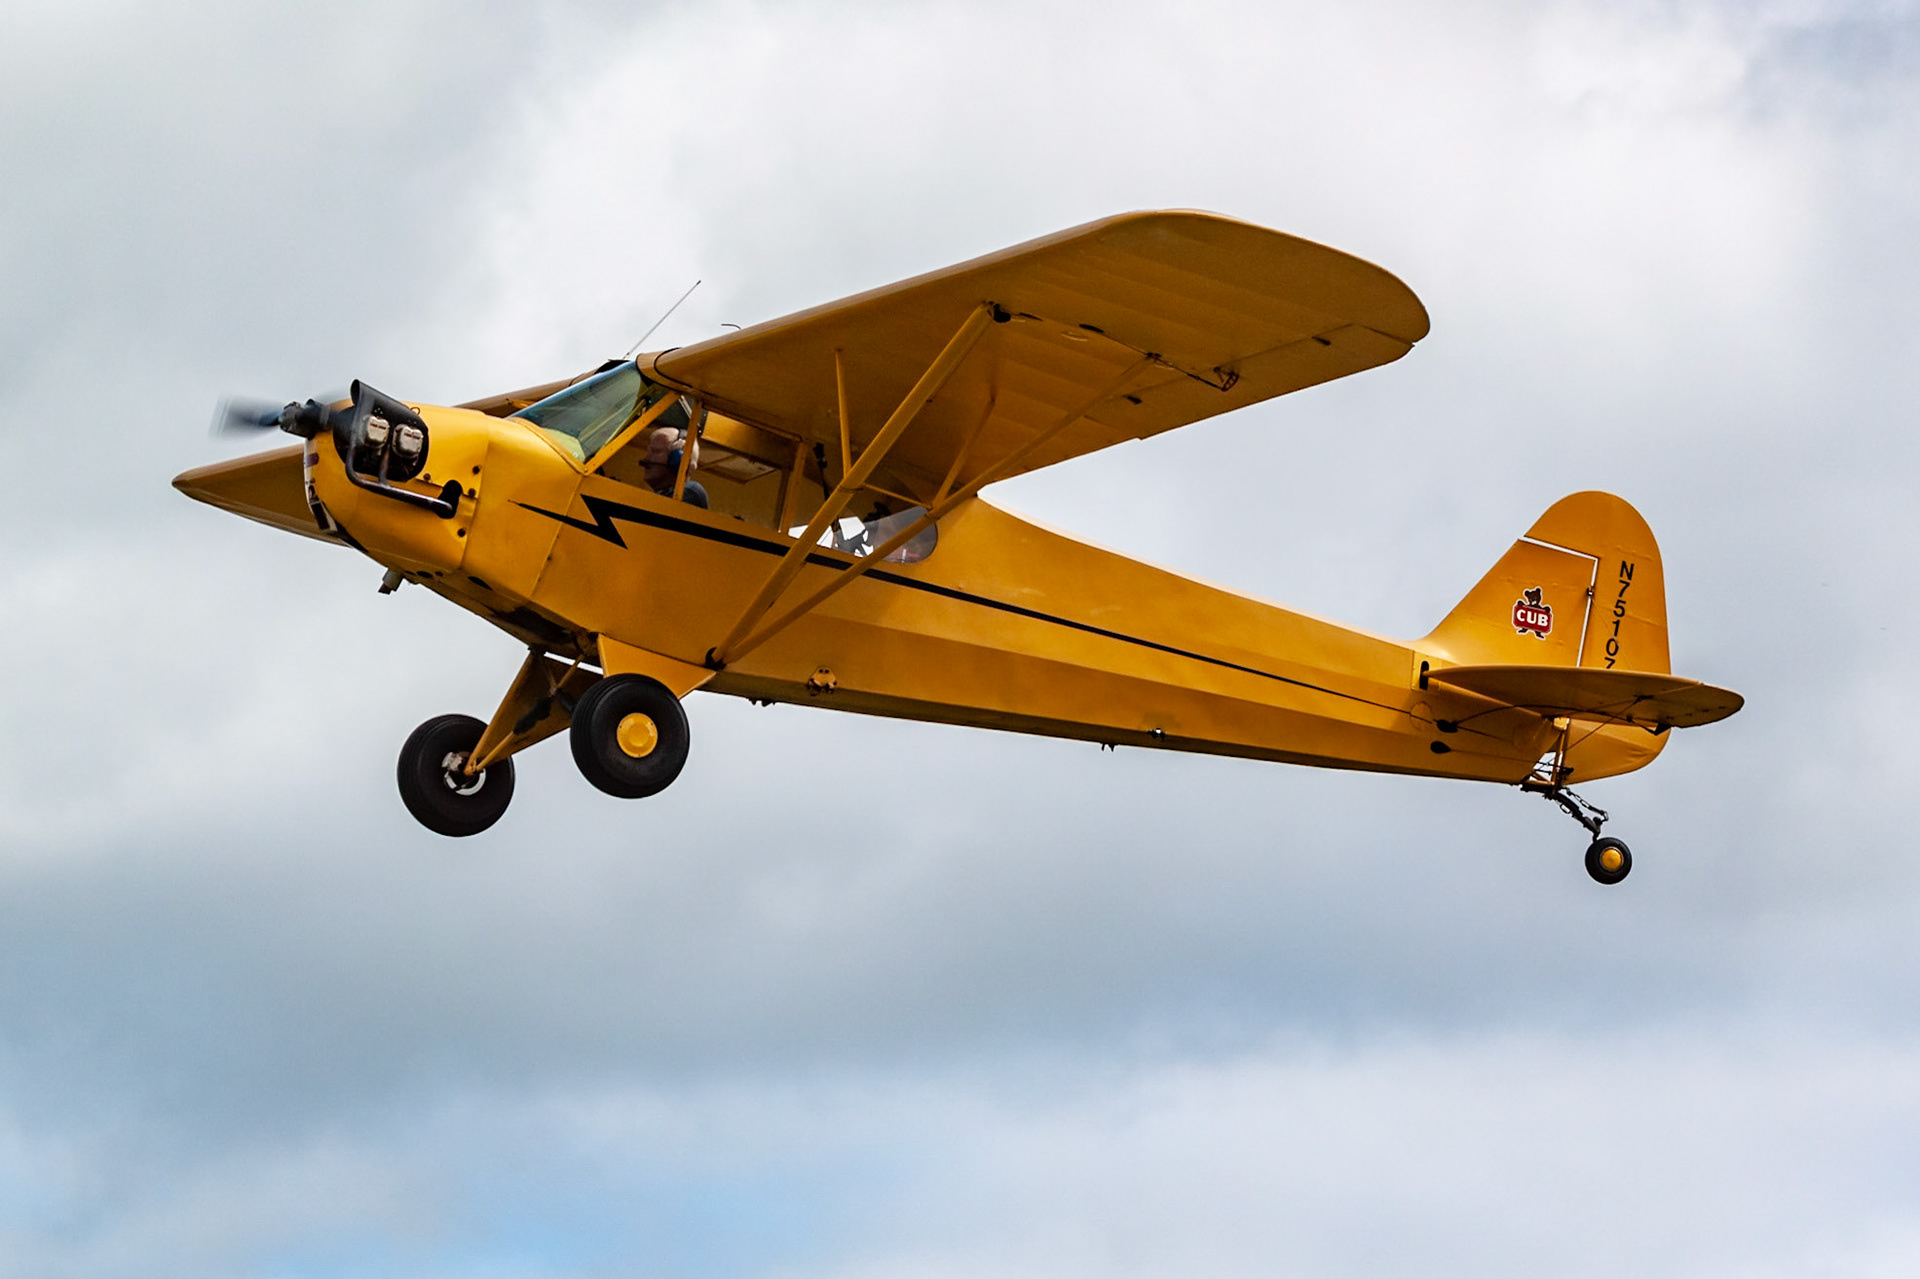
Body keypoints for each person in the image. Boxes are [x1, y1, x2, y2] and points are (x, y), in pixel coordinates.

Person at [642, 425, 708, 508]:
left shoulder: (691, 492)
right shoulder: (662, 495)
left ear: (678, 459)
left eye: (655, 451)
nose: (646, 458)